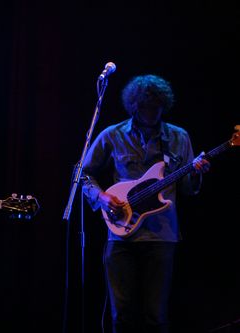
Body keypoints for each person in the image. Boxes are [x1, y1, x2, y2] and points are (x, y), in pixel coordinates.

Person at [81, 74, 210, 333]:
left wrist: (195, 173)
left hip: (162, 235)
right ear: (134, 107)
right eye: (145, 108)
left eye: (156, 108)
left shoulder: (179, 137)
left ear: (164, 105)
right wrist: (102, 197)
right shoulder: (113, 135)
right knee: (122, 317)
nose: (151, 114)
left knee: (156, 317)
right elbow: (83, 174)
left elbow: (187, 190)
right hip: (121, 236)